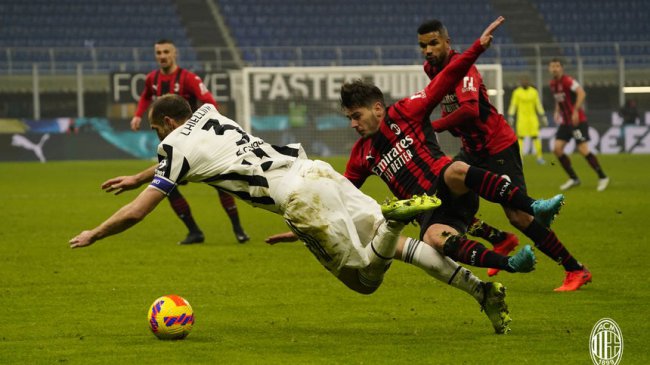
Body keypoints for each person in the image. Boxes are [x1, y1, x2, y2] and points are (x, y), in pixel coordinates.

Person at [268, 17, 547, 334]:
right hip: (430, 213)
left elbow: (446, 79)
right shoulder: (362, 154)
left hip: (449, 185)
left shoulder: (405, 111)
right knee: (432, 242)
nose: (353, 125)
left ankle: (534, 206)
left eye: (356, 116)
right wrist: (305, 229)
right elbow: (342, 194)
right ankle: (504, 269)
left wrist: (476, 49)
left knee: (455, 169)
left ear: (376, 108)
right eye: (349, 118)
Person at [70, 94, 443, 297]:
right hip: (314, 170)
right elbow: (193, 155)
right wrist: (139, 176)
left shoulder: (174, 145)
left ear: (169, 124)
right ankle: (479, 289)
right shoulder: (209, 114)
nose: (158, 140)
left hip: (296, 196)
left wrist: (95, 233)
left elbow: (137, 213)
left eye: (157, 131)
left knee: (363, 282)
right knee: (384, 242)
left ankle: (393, 222)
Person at [418, 20, 592, 291]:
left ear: (447, 42)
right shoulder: (431, 69)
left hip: (497, 146)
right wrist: (446, 122)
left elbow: (470, 111)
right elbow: (448, 102)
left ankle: (575, 269)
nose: (427, 50)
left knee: (519, 216)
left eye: (433, 43)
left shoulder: (465, 68)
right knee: (447, 201)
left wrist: (433, 126)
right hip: (472, 149)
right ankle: (500, 239)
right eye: (423, 45)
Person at [130, 38, 249, 244]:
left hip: (194, 142)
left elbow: (210, 102)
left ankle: (238, 228)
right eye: (158, 53)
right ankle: (194, 231)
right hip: (171, 144)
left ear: (175, 54)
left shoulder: (188, 78)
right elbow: (145, 96)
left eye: (166, 52)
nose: (162, 56)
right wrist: (138, 115)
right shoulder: (152, 78)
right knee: (167, 184)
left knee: (219, 180)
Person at [548, 58, 609, 192]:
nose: (554, 69)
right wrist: (557, 110)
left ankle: (602, 176)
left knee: (582, 149)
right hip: (565, 122)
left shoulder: (568, 81)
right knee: (557, 149)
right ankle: (574, 178)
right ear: (549, 69)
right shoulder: (552, 84)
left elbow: (582, 93)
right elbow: (559, 99)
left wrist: (575, 110)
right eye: (552, 66)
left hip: (577, 121)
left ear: (561, 68)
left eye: (557, 66)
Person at [507, 75, 548, 165]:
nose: (525, 82)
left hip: (533, 119)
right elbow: (513, 104)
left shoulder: (534, 92)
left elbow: (538, 104)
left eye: (526, 81)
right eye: (523, 81)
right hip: (522, 119)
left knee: (536, 137)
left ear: (528, 82)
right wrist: (511, 115)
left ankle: (539, 157)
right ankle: (520, 158)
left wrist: (542, 115)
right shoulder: (517, 92)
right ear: (521, 82)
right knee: (520, 139)